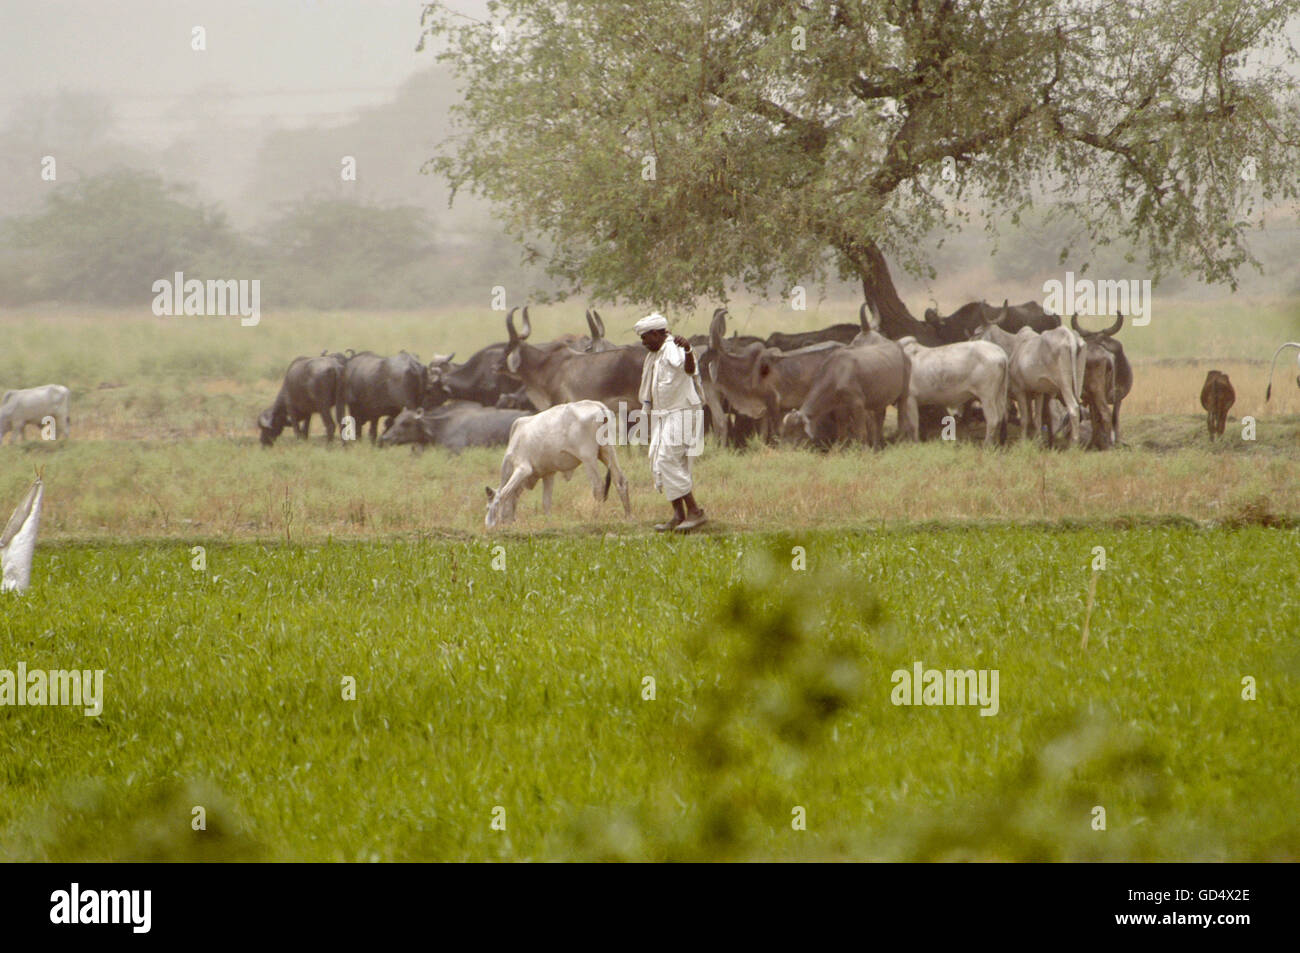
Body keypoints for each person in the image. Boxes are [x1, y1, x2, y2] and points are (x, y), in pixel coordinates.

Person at [635, 313, 707, 532]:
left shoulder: (674, 348)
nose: (643, 343)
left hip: (682, 412)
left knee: (667, 458)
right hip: (664, 415)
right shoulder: (654, 356)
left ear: (656, 333)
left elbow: (688, 369)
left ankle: (695, 512)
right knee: (658, 460)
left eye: (645, 338)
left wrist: (687, 350)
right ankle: (678, 514)